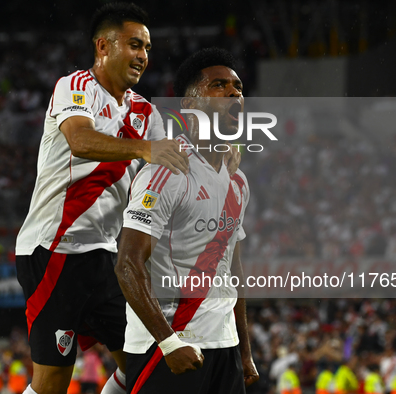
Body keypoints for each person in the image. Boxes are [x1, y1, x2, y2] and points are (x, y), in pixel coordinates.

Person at [14, 2, 224, 394]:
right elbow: (80, 141)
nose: (143, 55)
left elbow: (167, 168)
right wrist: (146, 149)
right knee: (51, 384)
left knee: (141, 366)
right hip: (55, 249)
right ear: (103, 47)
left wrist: (217, 153)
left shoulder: (145, 111)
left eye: (146, 47)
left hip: (106, 257)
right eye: (134, 44)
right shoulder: (74, 87)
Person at [115, 47, 258, 394]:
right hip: (170, 345)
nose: (233, 93)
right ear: (191, 105)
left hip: (223, 348)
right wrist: (168, 343)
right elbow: (127, 264)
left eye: (237, 87)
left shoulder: (238, 181)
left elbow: (231, 272)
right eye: (219, 85)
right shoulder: (167, 171)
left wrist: (243, 349)